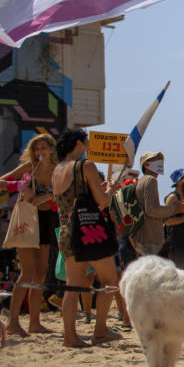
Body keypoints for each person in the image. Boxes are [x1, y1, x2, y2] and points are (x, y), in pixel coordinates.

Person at [51, 128, 121, 347]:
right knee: (110, 281)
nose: (89, 147)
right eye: (87, 142)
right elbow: (102, 202)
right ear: (79, 144)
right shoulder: (86, 166)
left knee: (72, 286)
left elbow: (72, 198)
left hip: (66, 229)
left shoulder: (57, 170)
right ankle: (100, 329)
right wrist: (110, 190)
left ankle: (69, 336)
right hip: (89, 231)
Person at [0, 133, 58, 336]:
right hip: (28, 220)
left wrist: (48, 195)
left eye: (43, 148)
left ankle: (35, 322)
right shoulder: (30, 168)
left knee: (41, 273)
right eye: (36, 149)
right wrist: (21, 188)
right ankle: (13, 322)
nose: (39, 152)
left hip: (46, 221)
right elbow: (2, 181)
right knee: (26, 272)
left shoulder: (57, 170)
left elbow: (63, 193)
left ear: (52, 149)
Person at [130, 152, 184, 258]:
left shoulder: (142, 181)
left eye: (161, 159)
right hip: (151, 240)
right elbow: (152, 210)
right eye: (156, 159)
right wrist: (177, 208)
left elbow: (151, 214)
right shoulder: (151, 180)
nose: (160, 162)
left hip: (144, 239)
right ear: (146, 164)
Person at [164, 169, 184, 270]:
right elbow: (167, 221)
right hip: (176, 244)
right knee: (176, 275)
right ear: (178, 181)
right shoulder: (172, 197)